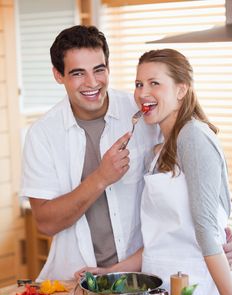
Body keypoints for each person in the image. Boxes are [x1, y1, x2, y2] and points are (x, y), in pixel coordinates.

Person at [76, 48, 232, 295]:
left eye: (154, 83)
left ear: (181, 90)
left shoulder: (193, 137)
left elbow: (208, 234)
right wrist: (112, 271)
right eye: (138, 84)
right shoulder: (159, 149)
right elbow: (160, 240)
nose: (142, 92)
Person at [20, 25, 160, 281]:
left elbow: (176, 190)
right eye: (77, 73)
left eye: (99, 69)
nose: (92, 82)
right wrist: (101, 178)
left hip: (143, 275)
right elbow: (45, 223)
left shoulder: (142, 113)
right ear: (58, 75)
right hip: (73, 281)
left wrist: (216, 235)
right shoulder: (42, 135)